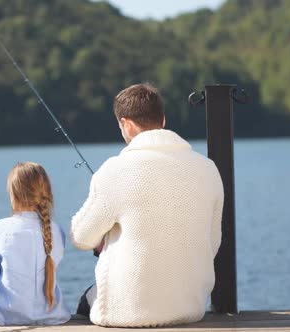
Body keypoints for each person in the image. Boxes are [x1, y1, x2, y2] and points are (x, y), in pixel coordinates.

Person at [70, 83, 224, 327]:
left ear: (126, 124)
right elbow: (212, 242)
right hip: (190, 308)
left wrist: (107, 237)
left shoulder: (114, 170)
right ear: (162, 119)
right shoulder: (208, 169)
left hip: (128, 313)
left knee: (85, 302)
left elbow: (81, 237)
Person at [0, 162, 71, 326]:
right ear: (46, 193)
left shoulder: (2, 228)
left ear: (13, 195)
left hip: (8, 317)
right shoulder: (56, 231)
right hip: (54, 316)